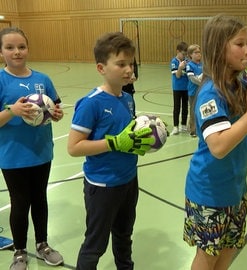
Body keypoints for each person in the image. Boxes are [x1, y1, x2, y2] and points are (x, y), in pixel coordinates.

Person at [183, 14, 247, 270]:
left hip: (235, 189)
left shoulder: (237, 84)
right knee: (208, 257)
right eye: (240, 44)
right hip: (209, 192)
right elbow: (219, 146)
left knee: (227, 251)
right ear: (218, 48)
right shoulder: (210, 93)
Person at [67, 32, 153, 270]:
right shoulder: (91, 103)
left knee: (124, 235)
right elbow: (74, 147)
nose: (128, 69)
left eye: (131, 64)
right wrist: (114, 143)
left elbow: (128, 135)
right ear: (101, 68)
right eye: (121, 64)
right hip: (102, 186)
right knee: (95, 243)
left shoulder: (127, 98)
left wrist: (146, 135)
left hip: (128, 180)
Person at [0, 27, 64, 270]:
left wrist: (56, 114)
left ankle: (43, 244)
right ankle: (19, 251)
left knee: (40, 199)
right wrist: (12, 111)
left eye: (21, 47)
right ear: (1, 52)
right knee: (20, 202)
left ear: (28, 48)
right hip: (12, 155)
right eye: (10, 47)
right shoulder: (1, 80)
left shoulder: (42, 79)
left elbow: (55, 109)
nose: (17, 52)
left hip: (41, 151)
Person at [170, 41, 189, 135]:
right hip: (177, 88)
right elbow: (177, 76)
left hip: (186, 88)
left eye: (185, 54)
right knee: (177, 107)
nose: (184, 56)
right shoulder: (174, 61)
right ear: (177, 51)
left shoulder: (187, 61)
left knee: (185, 107)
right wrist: (180, 68)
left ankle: (184, 125)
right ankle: (175, 126)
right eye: (183, 54)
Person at [185, 44, 203, 137]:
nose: (198, 54)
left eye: (199, 52)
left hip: (202, 91)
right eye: (196, 53)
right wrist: (202, 83)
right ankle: (193, 129)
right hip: (193, 92)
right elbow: (192, 78)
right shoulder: (189, 65)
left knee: (201, 110)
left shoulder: (202, 65)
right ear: (190, 55)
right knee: (193, 110)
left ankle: (200, 128)